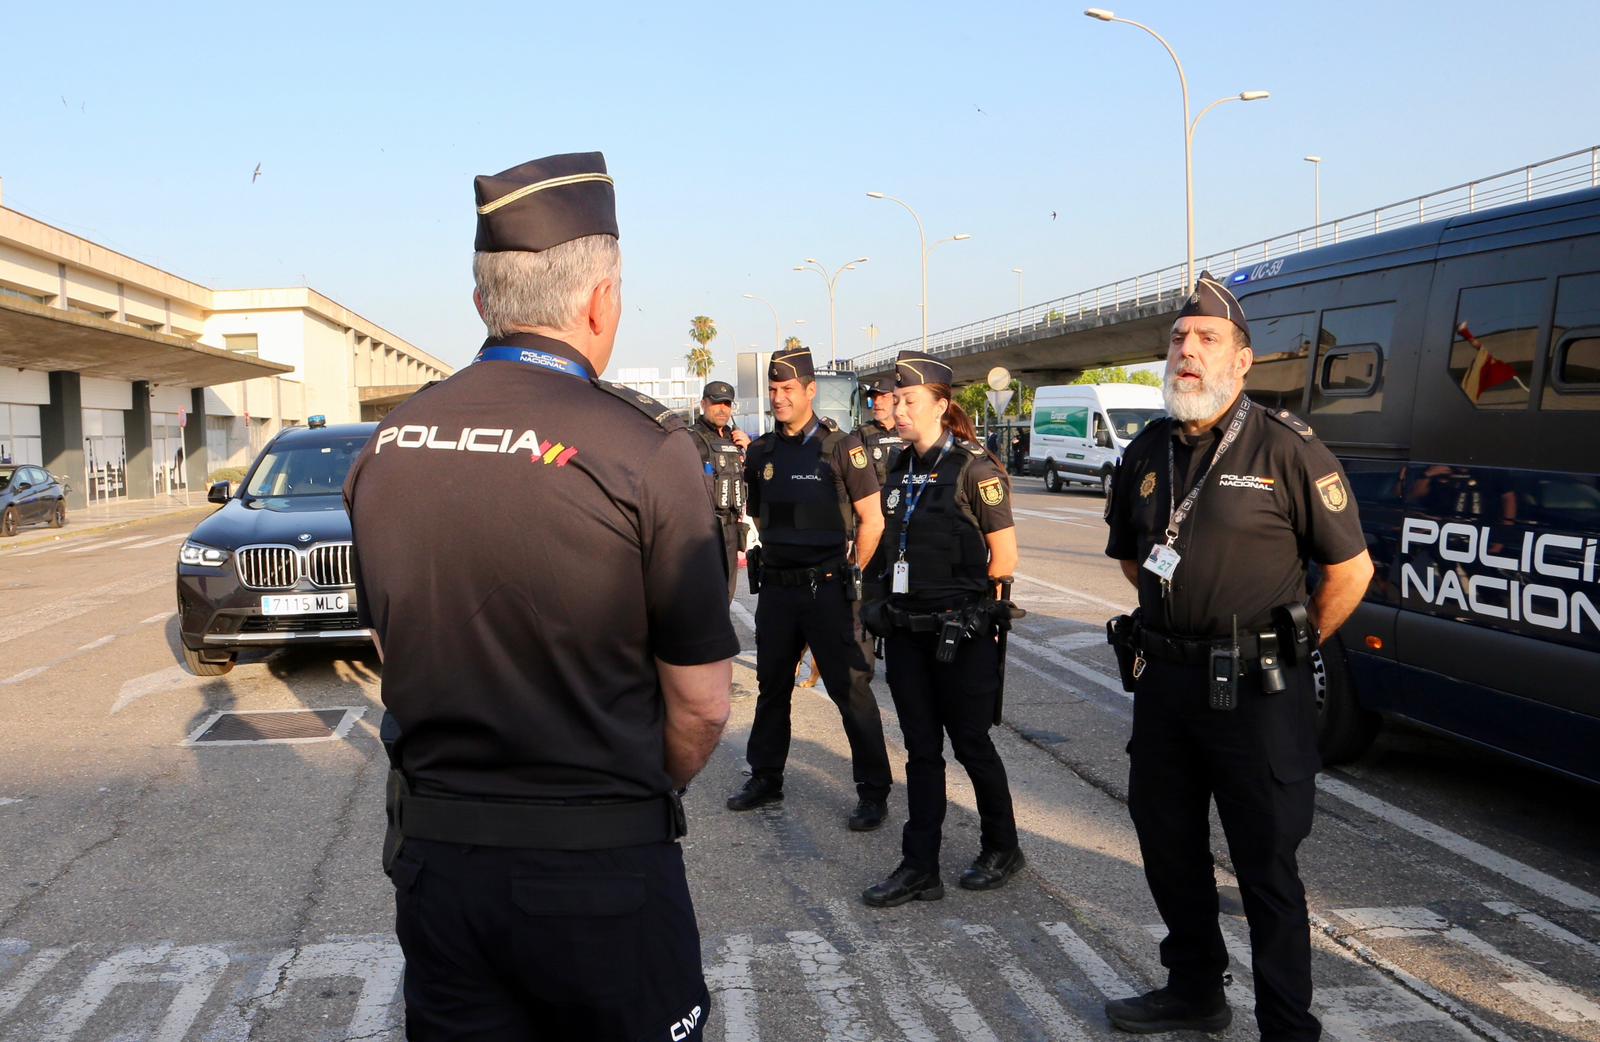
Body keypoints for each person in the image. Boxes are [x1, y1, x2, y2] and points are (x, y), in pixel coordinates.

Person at [344, 152, 737, 1041]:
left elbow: (388, 645)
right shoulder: (645, 450)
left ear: (481, 299)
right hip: (599, 872)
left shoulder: (389, 443)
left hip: (440, 873)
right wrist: (636, 789)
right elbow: (702, 704)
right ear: (602, 301)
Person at [1102, 273, 1374, 1042]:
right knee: (1168, 845)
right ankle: (1194, 990)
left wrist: (1287, 646)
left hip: (1255, 692)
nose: (1187, 351)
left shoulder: (1286, 448)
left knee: (1266, 866)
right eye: (1178, 339)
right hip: (1166, 685)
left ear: (1243, 360)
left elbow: (1351, 572)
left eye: (1207, 338)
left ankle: (1287, 1027)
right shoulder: (1146, 449)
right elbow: (1131, 558)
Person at [860, 349, 1024, 908]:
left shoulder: (975, 469)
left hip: (961, 635)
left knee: (972, 745)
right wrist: (875, 602)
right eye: (896, 400)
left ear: (939, 404)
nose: (898, 410)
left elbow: (1004, 558)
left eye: (909, 400)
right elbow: (890, 547)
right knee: (920, 751)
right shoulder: (899, 467)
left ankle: (1002, 847)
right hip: (907, 633)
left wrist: (972, 610)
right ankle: (919, 867)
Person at [728, 345, 893, 830]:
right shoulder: (761, 452)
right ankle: (765, 776)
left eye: (787, 389)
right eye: (773, 389)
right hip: (778, 590)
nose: (779, 397)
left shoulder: (842, 448)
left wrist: (852, 573)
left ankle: (873, 791)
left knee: (850, 691)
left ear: (810, 391)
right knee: (771, 687)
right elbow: (761, 516)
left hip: (829, 590)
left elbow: (872, 520)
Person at [689, 379, 750, 600]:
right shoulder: (690, 438)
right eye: (716, 403)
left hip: (732, 528)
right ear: (703, 404)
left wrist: (749, 449)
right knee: (704, 597)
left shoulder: (736, 439)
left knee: (727, 594)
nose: (722, 409)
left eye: (727, 403)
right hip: (704, 531)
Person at [854, 377, 905, 487]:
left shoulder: (909, 430)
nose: (877, 402)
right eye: (874, 397)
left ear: (896, 399)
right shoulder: (861, 433)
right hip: (876, 495)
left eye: (883, 396)